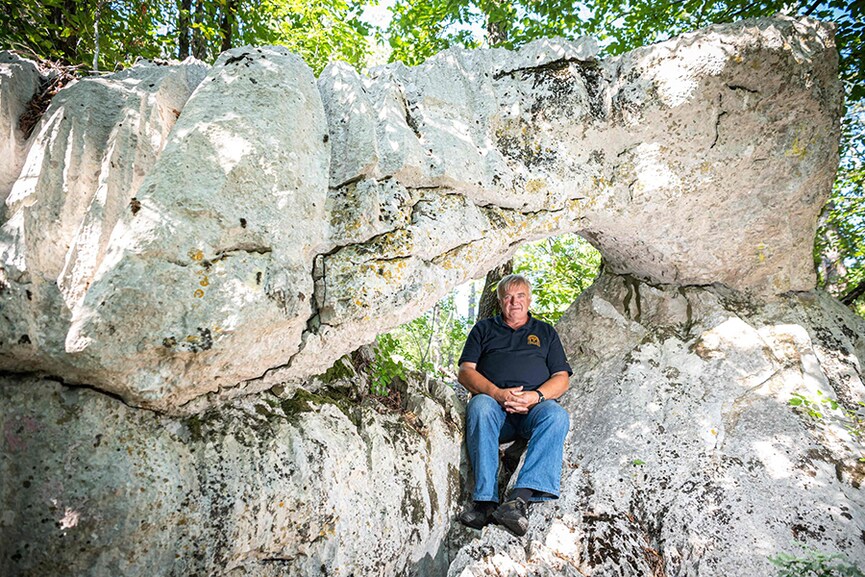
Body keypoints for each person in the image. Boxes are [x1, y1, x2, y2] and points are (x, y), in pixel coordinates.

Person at [457, 274, 572, 536]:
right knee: (480, 406)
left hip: (534, 410)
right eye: (508, 297)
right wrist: (497, 393)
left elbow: (561, 378)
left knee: (557, 416)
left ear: (529, 299)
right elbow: (465, 372)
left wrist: (536, 396)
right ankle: (485, 503)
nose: (514, 302)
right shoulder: (484, 329)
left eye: (520, 296)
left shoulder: (545, 332)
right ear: (500, 301)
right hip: (496, 411)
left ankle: (517, 500)